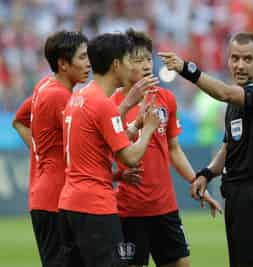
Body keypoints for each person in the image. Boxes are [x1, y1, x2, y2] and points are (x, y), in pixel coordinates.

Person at [159, 32, 253, 267]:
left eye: (247, 59)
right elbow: (229, 146)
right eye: (235, 58)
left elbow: (224, 92)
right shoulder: (236, 104)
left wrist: (187, 69)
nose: (240, 65)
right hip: (237, 195)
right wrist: (207, 173)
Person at [112, 28, 221, 267]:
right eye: (137, 60)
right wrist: (118, 175)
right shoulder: (112, 105)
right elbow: (103, 155)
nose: (145, 65)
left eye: (148, 59)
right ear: (120, 64)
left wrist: (196, 181)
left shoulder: (166, 99)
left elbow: (173, 148)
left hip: (165, 207)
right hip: (129, 210)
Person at [58, 33, 161, 267]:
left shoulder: (78, 98)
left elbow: (98, 143)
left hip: (68, 205)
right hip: (95, 207)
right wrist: (148, 129)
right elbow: (131, 158)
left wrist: (133, 125)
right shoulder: (104, 105)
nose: (132, 67)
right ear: (116, 65)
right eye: (129, 61)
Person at [16, 30, 89, 267]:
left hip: (46, 195)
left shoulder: (45, 85)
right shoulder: (59, 97)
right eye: (82, 57)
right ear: (63, 64)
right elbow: (87, 142)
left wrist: (40, 152)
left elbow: (19, 120)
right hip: (56, 199)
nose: (89, 63)